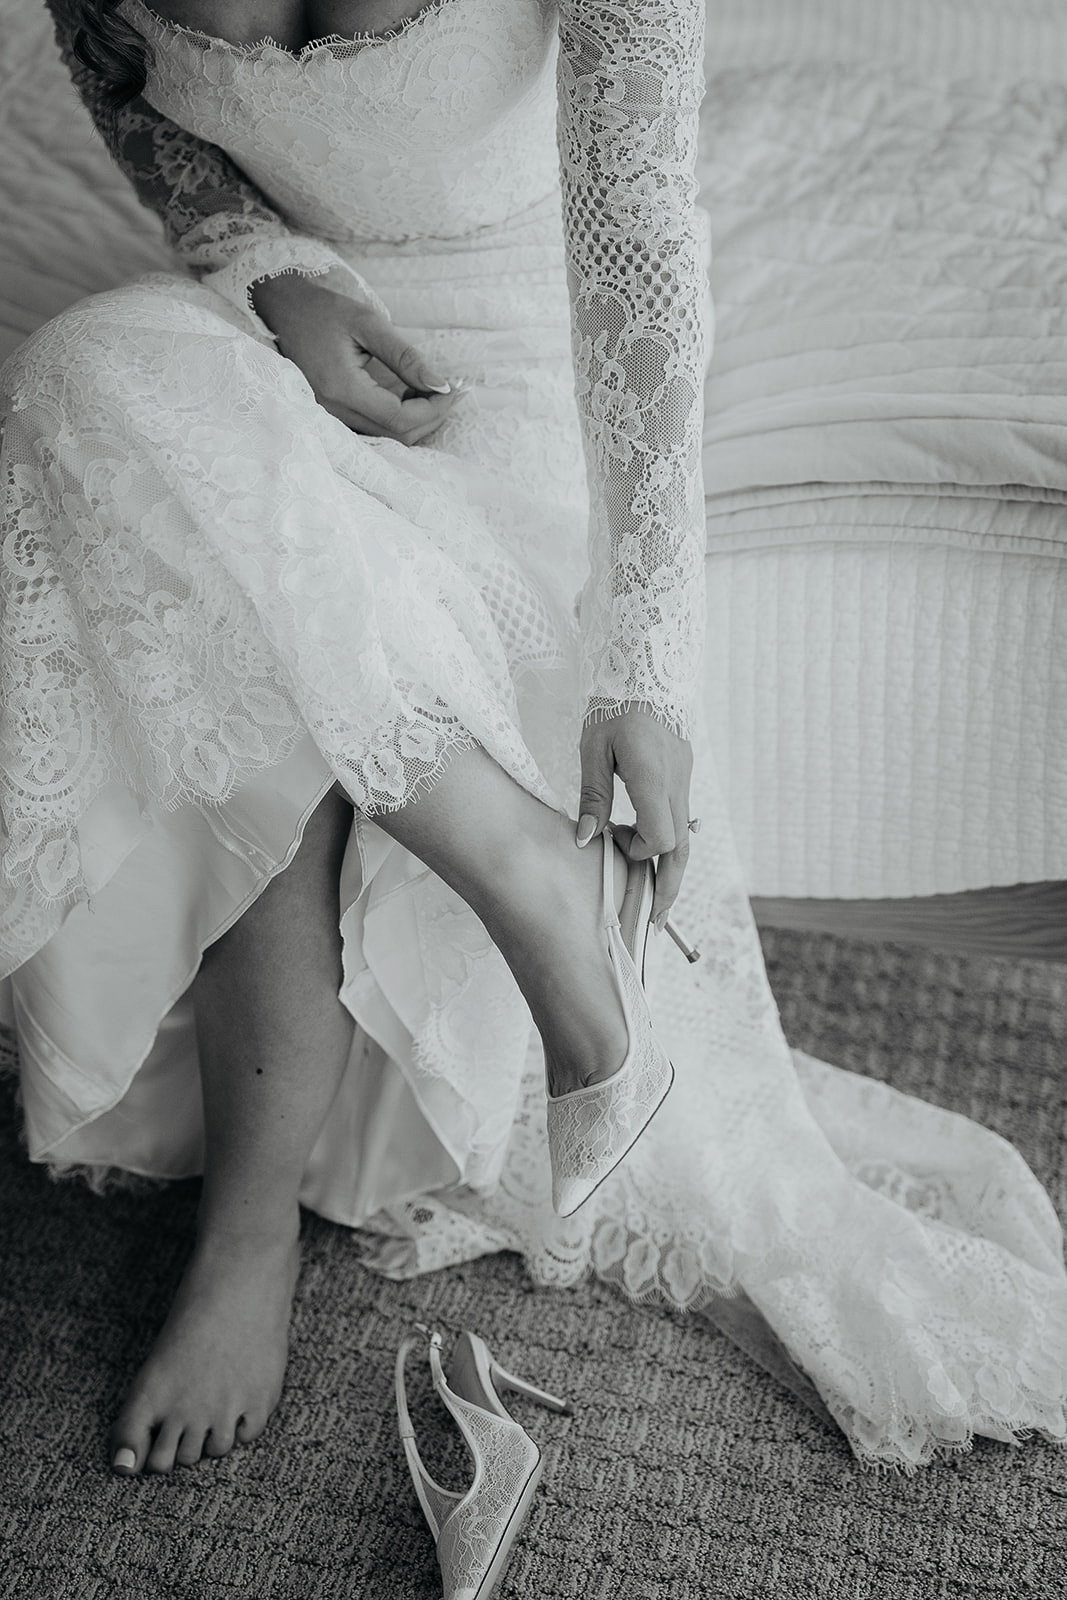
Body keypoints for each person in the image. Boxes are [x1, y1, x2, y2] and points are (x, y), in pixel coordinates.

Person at [1, 0, 1064, 1480]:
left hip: (528, 365)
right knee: (86, 369)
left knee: (262, 635)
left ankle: (244, 1234)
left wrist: (645, 665)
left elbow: (638, 245)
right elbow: (141, 109)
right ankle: (532, 879)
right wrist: (270, 271)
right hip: (285, 354)